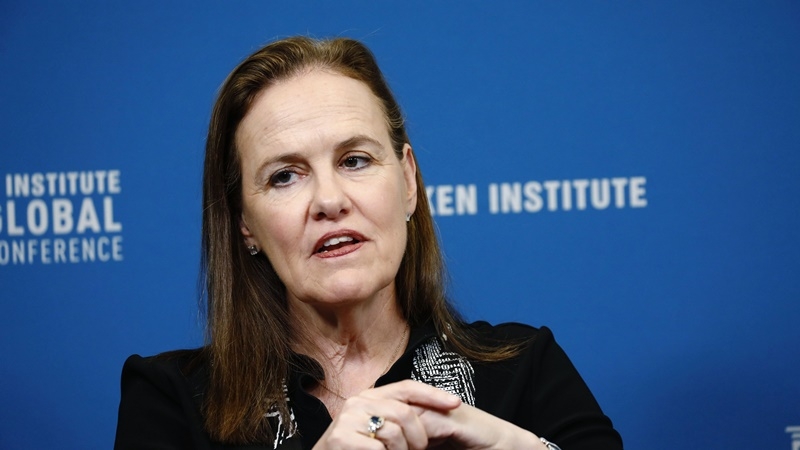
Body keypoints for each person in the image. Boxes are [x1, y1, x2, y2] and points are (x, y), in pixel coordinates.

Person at [114, 36, 623, 450]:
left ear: (407, 181)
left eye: (354, 160)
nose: (329, 200)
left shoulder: (523, 368)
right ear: (244, 223)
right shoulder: (172, 400)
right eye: (285, 176)